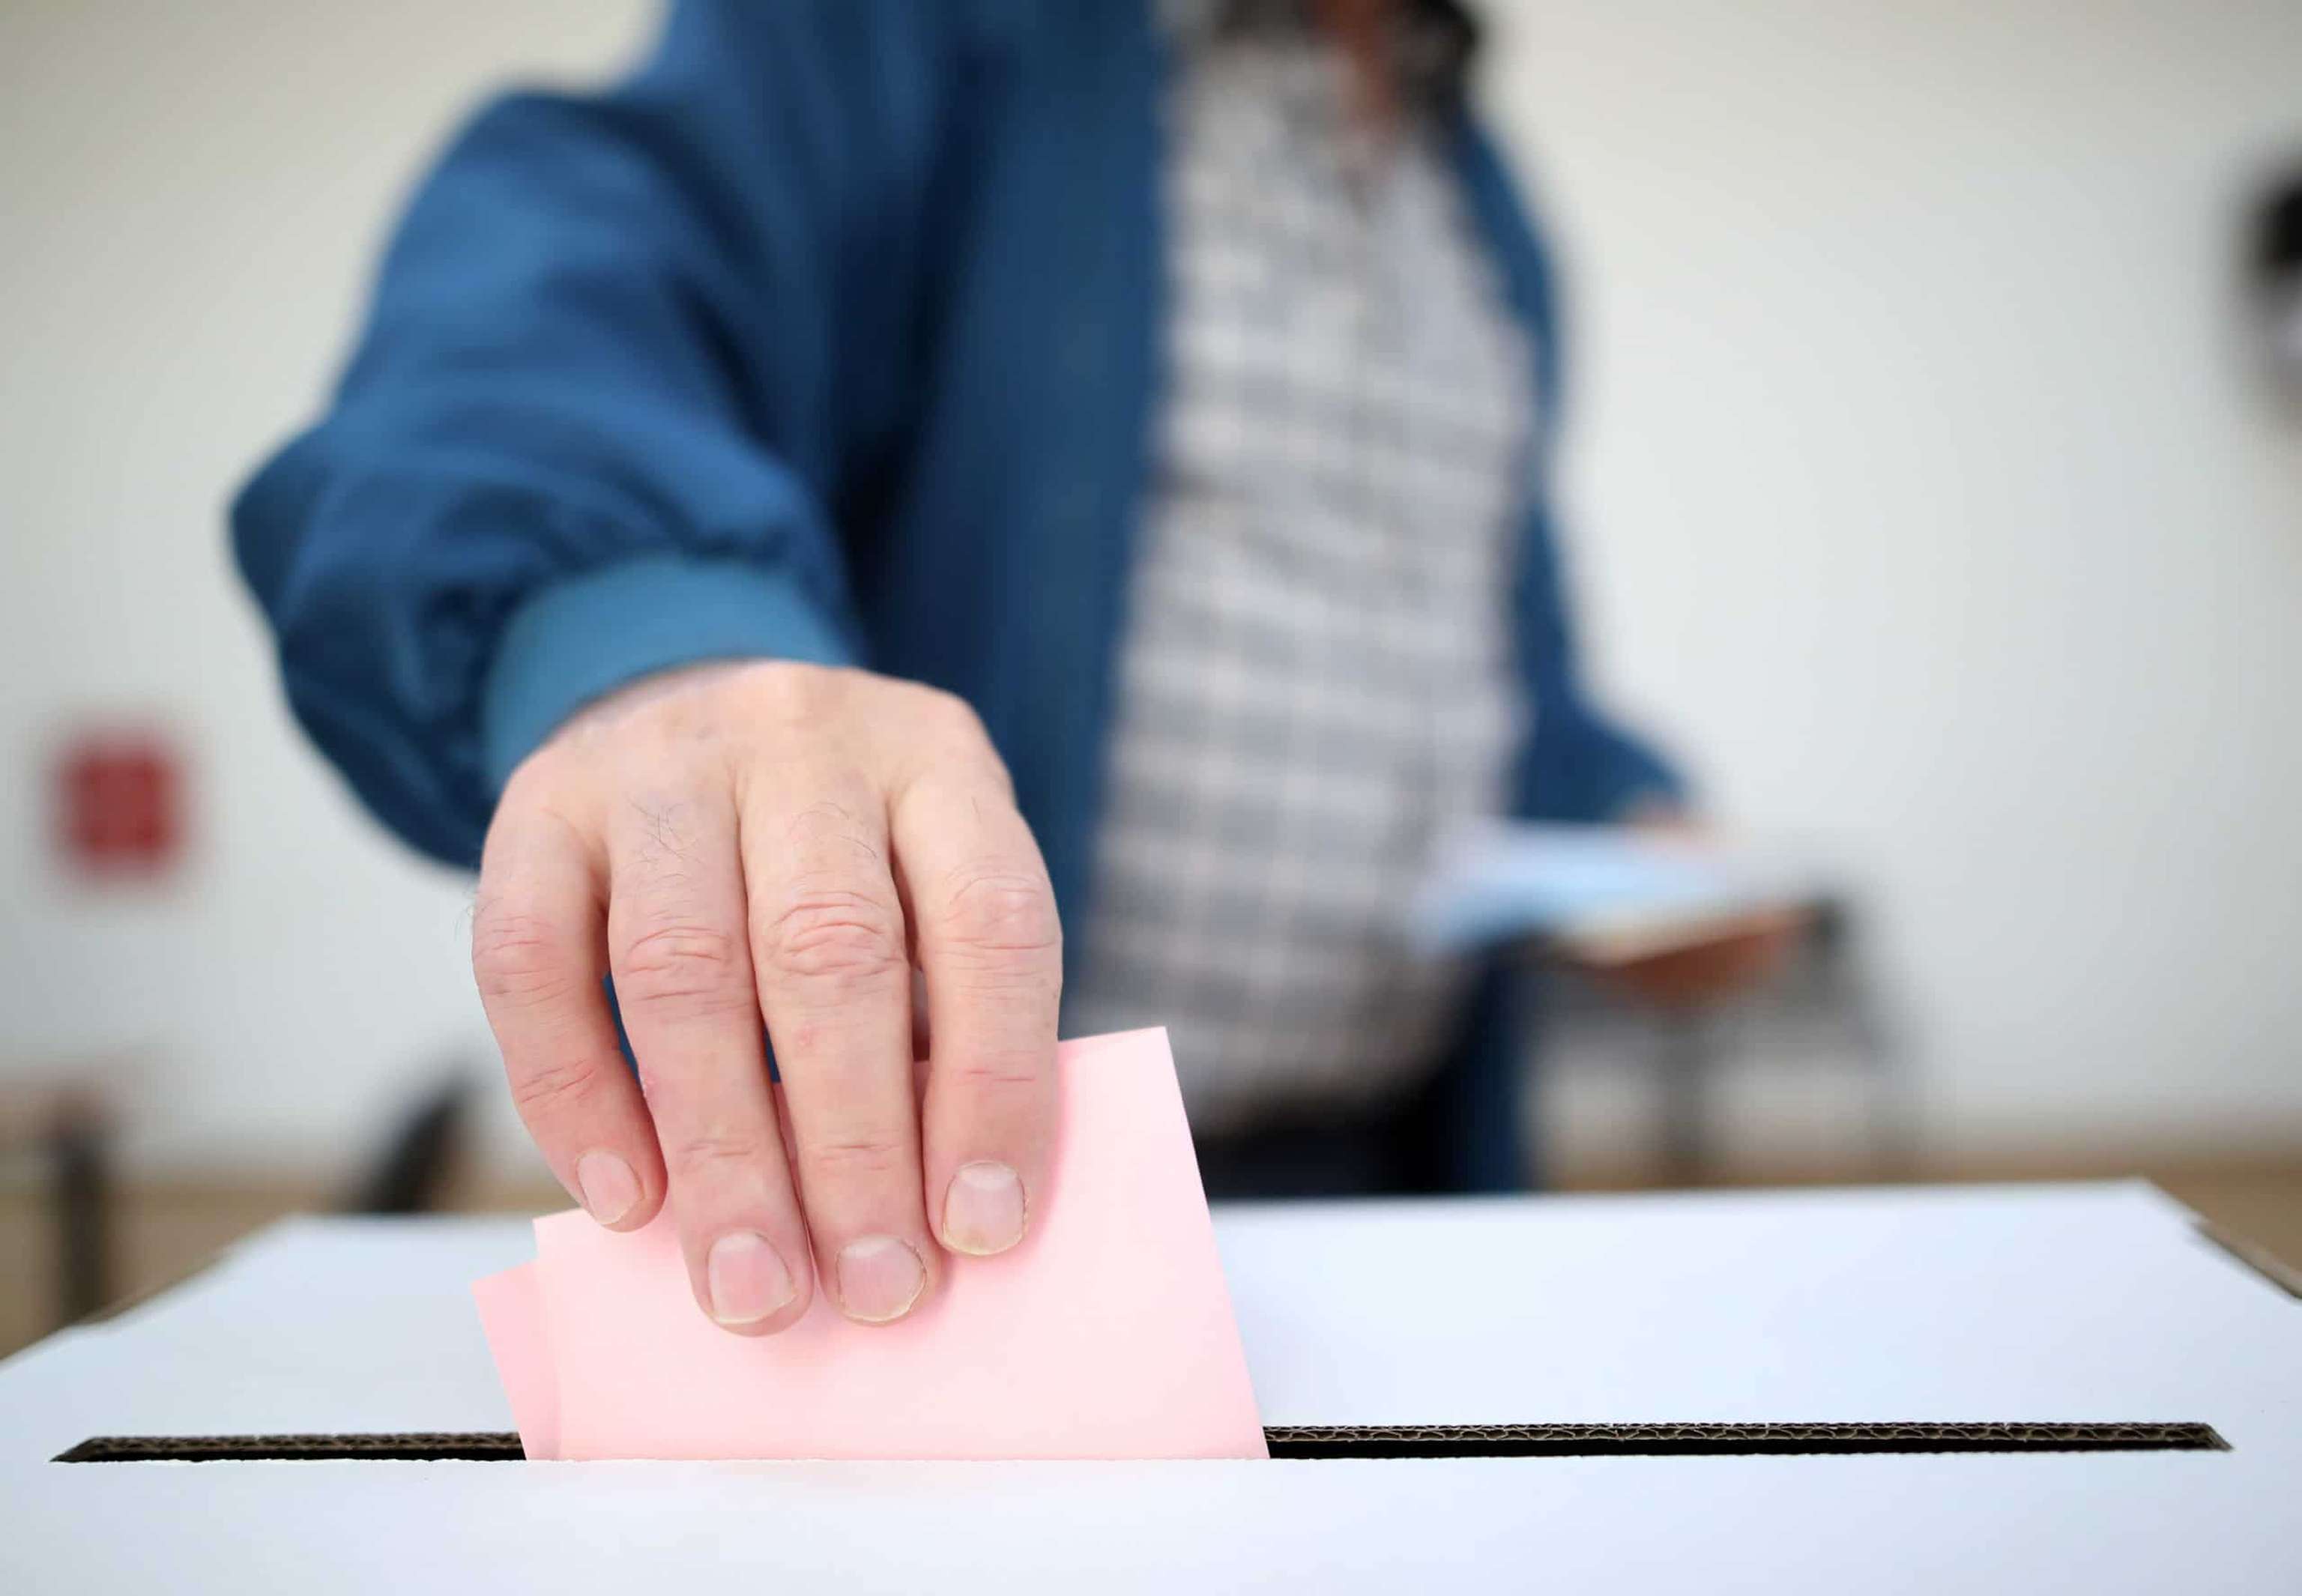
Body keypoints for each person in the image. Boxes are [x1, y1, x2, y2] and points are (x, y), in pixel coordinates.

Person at [234, 0, 1787, 1338]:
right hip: (977, 1239)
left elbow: (1471, 642)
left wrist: (1620, 822)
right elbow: (565, 289)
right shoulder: (928, 32)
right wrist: (650, 643)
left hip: (1399, 1180)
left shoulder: (1479, 204)